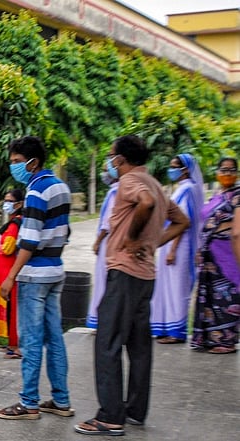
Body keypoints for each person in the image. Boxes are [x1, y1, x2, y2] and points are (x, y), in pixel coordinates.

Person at [75, 135, 189, 436]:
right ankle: (135, 409)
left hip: (124, 272)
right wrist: (152, 244)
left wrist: (134, 238)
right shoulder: (155, 183)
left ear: (120, 159)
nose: (110, 162)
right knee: (139, 346)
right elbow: (182, 221)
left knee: (108, 342)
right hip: (145, 275)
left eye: (111, 156)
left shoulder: (130, 182)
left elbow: (146, 203)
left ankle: (111, 416)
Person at [0, 136, 73, 420]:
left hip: (34, 275)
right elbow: (65, 232)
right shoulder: (61, 187)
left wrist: (10, 277)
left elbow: (28, 240)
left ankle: (28, 402)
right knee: (54, 339)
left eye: (17, 161)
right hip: (55, 270)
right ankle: (61, 400)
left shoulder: (36, 191)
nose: (14, 167)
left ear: (33, 162)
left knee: (30, 340)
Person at [150, 154, 204, 344]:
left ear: (185, 169)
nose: (171, 170)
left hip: (180, 246)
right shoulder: (183, 189)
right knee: (167, 286)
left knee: (177, 288)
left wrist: (172, 249)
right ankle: (166, 327)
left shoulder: (188, 190)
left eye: (175, 167)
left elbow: (184, 221)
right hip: (171, 244)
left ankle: (176, 331)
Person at [191, 157, 240, 354]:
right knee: (211, 296)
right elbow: (204, 223)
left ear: (237, 173)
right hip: (209, 254)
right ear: (217, 172)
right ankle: (212, 338)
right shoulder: (216, 196)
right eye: (223, 169)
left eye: (232, 170)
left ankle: (227, 341)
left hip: (227, 252)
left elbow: (237, 231)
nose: (227, 174)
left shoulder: (238, 195)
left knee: (227, 295)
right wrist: (199, 249)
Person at [0, 189, 24, 359]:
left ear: (19, 204)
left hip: (9, 273)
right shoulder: (13, 222)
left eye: (9, 201)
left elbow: (9, 248)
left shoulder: (16, 223)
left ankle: (15, 346)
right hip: (4, 272)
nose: (6, 204)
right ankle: (11, 342)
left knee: (12, 310)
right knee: (8, 308)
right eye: (5, 200)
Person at [87, 172, 119, 330]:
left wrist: (98, 241)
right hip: (113, 242)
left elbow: (107, 222)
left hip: (108, 242)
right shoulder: (115, 190)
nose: (104, 173)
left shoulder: (116, 192)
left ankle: (104, 321)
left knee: (104, 281)